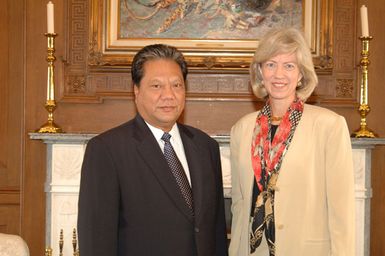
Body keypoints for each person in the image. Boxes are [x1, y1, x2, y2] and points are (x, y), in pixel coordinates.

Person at [78, 44, 228, 256]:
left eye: (177, 85)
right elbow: (96, 241)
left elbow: (216, 232)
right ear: (136, 90)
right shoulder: (106, 150)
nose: (168, 95)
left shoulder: (206, 147)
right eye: (156, 86)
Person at [229, 28, 355, 256]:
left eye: (289, 66)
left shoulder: (329, 126)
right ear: (259, 71)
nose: (279, 74)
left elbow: (342, 210)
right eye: (270, 64)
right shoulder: (242, 129)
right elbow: (239, 206)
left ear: (301, 75)